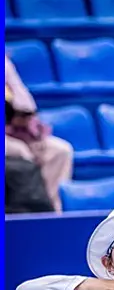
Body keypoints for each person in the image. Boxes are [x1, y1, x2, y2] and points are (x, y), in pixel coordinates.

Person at [5, 54, 74, 212]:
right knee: (20, 152)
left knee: (60, 150)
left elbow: (25, 102)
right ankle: (26, 211)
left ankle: (51, 213)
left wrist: (22, 115)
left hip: (16, 130)